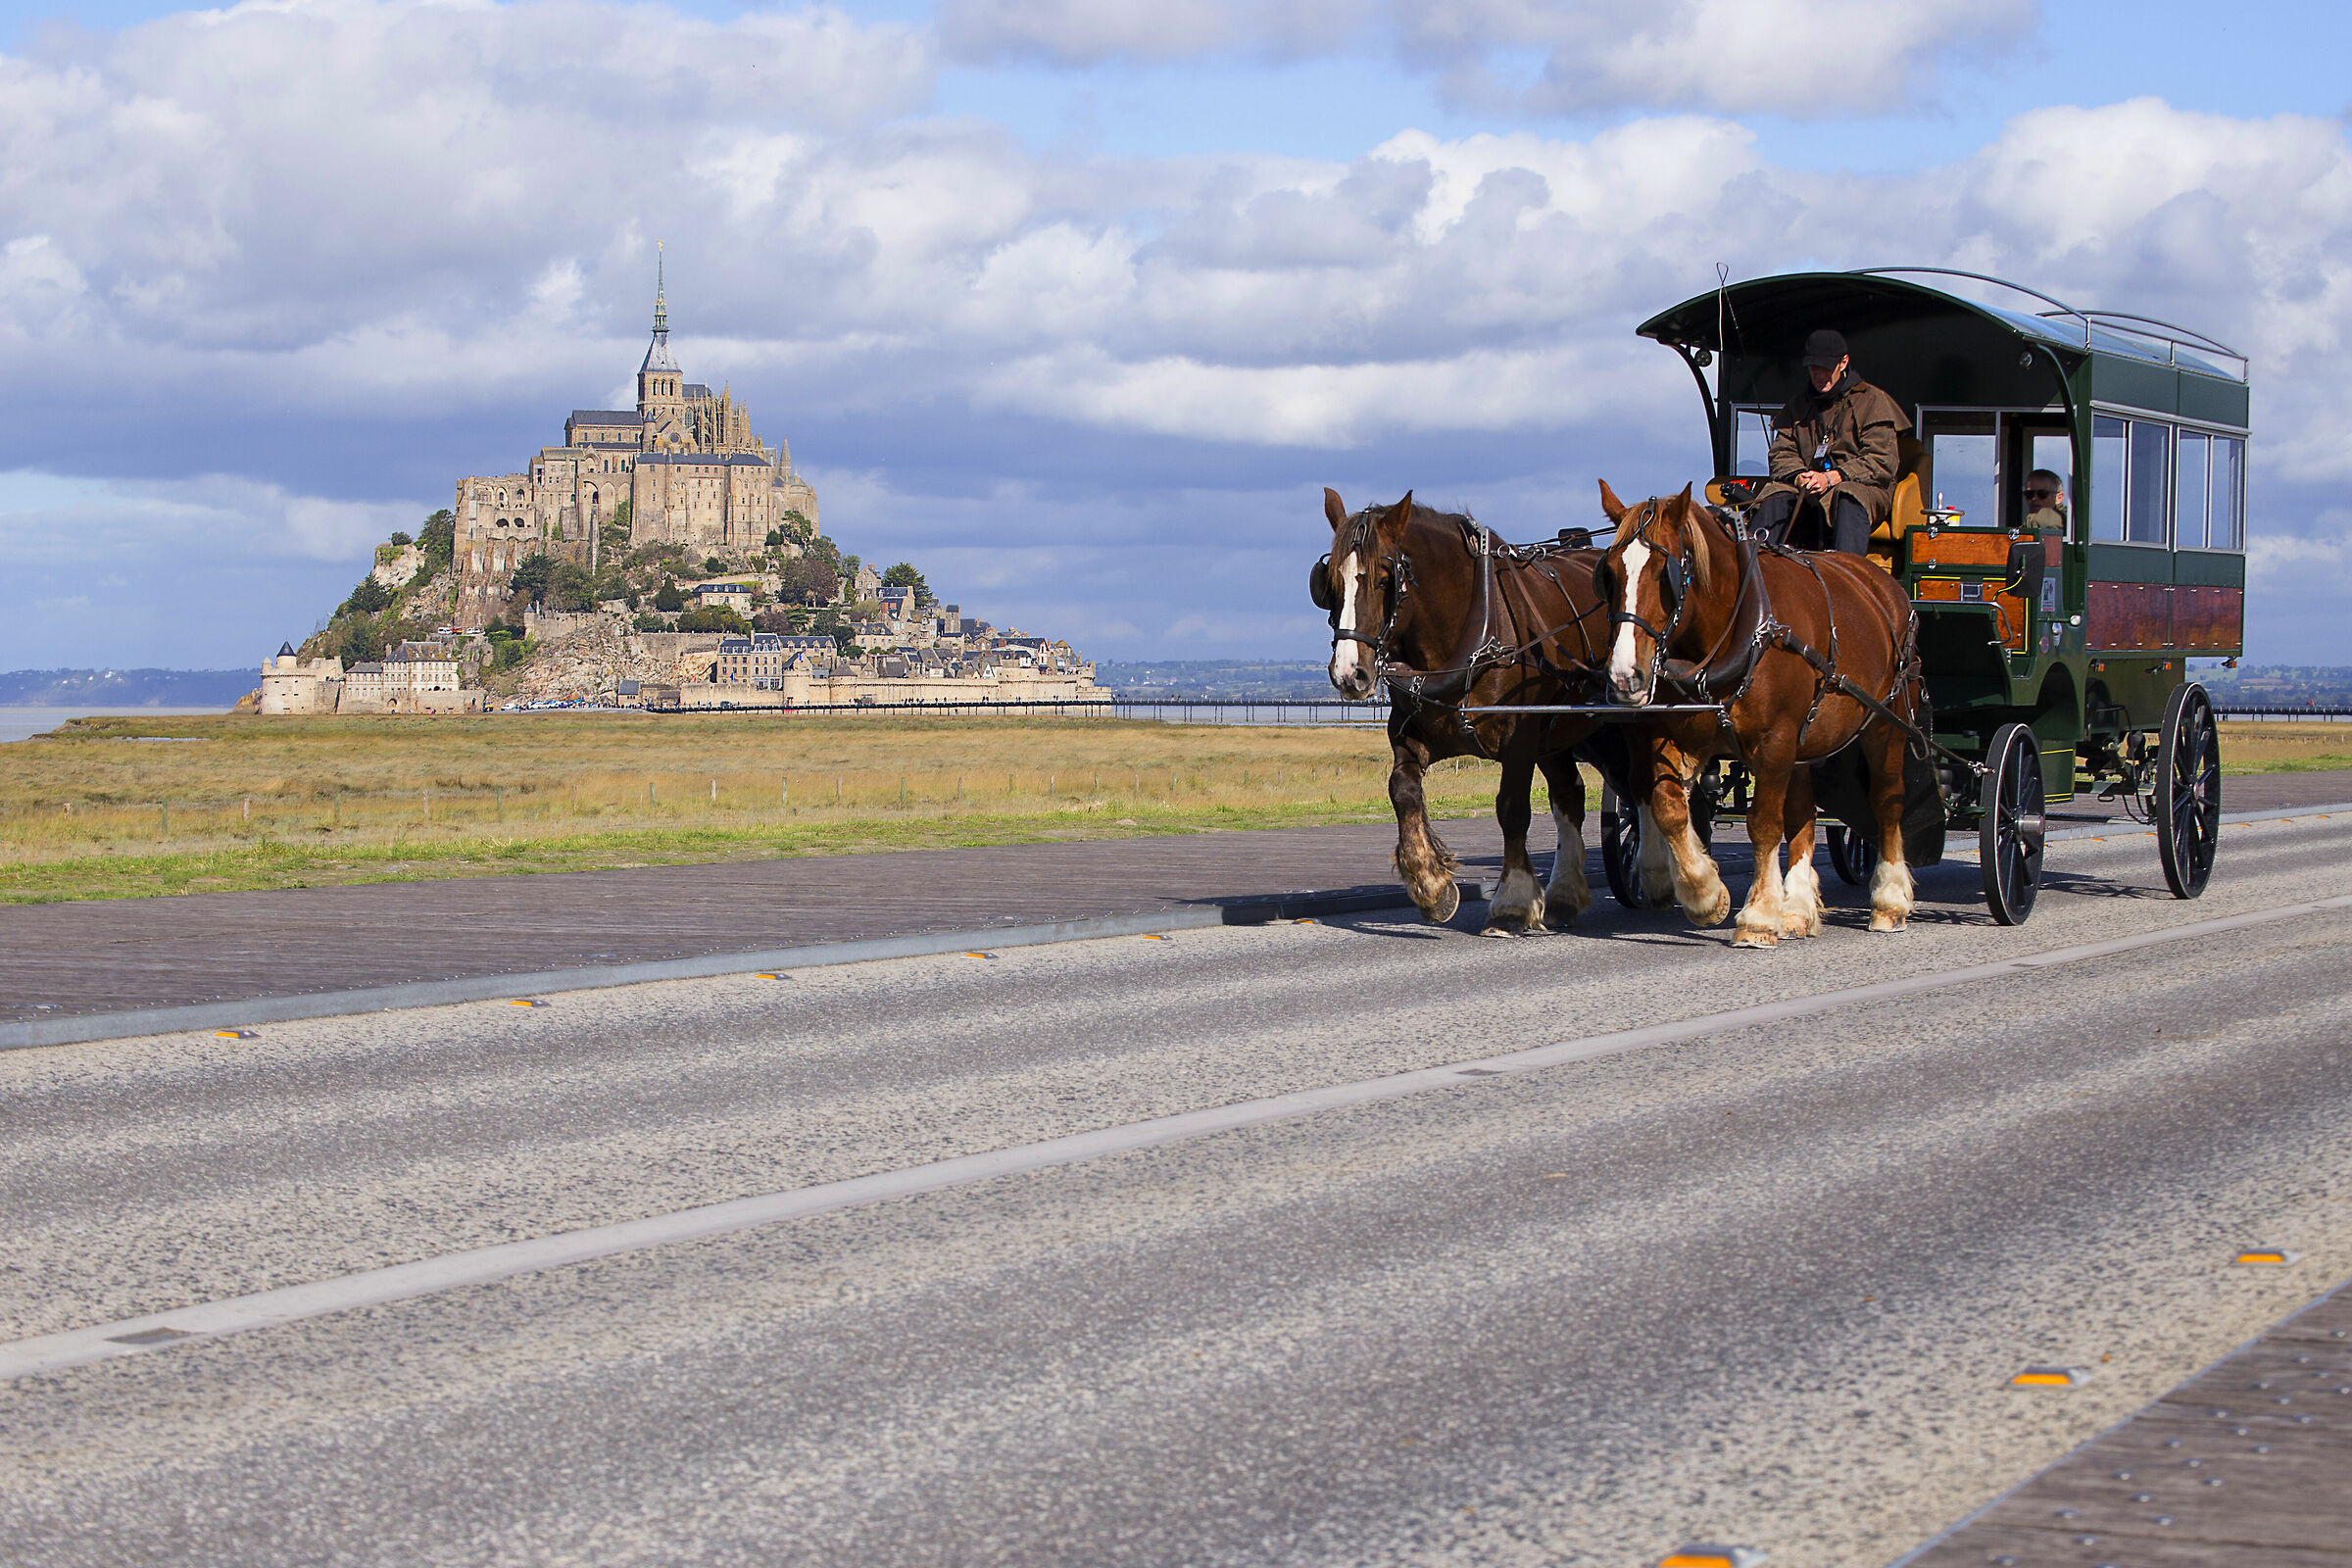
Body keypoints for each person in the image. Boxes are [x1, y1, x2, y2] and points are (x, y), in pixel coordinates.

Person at [1750, 328, 1911, 554]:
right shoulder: (1797, 405)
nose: (1819, 375)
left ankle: (1848, 575)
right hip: (1808, 488)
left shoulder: (1873, 401)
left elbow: (1881, 461)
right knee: (1776, 494)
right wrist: (1799, 477)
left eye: (1825, 367)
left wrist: (1832, 477)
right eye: (1814, 368)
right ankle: (1753, 568)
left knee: (1848, 495)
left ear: (1843, 363)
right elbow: (1781, 453)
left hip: (1865, 489)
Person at [2023, 467, 2068, 536]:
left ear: (2059, 497)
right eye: (2029, 494)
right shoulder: (2029, 519)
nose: (2034, 498)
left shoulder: (2065, 519)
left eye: (2042, 494)